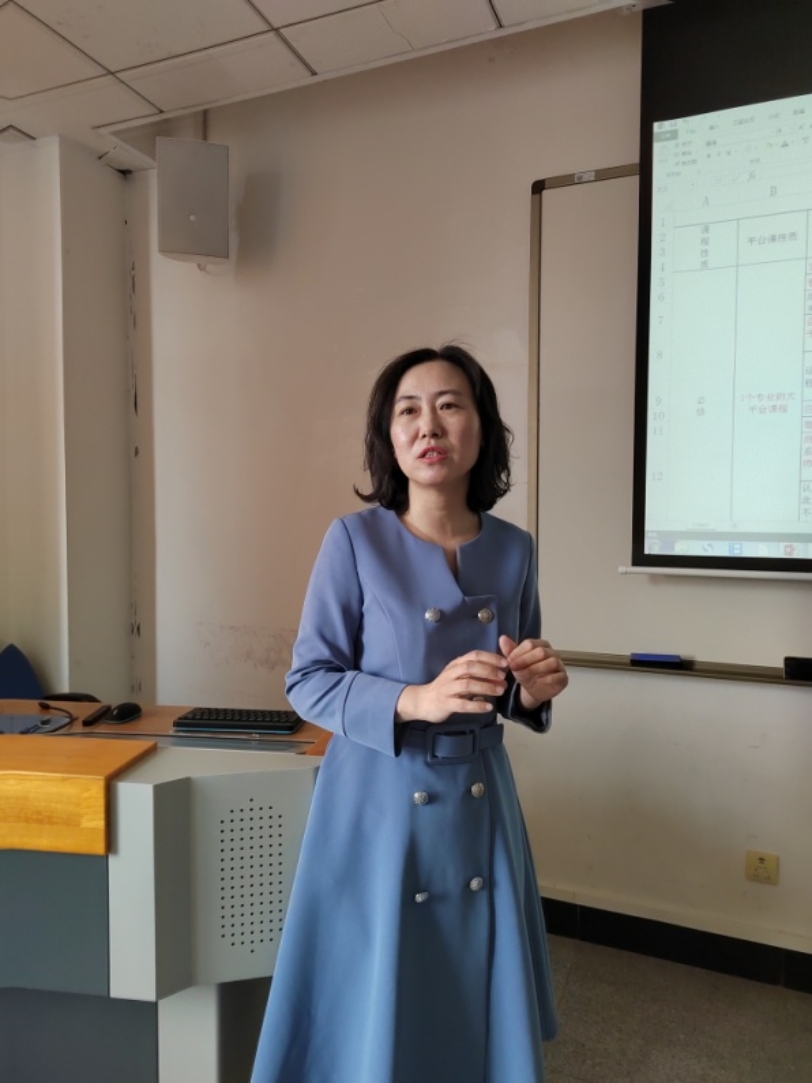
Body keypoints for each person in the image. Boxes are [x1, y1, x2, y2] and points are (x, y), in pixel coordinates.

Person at [250, 344, 568, 1083]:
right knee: (377, 996)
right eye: (408, 410)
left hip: (481, 801)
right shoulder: (354, 540)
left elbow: (510, 681)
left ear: (481, 427)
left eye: (450, 405)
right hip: (378, 801)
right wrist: (413, 699)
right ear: (389, 436)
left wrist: (531, 691)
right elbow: (309, 679)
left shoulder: (515, 549)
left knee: (472, 991)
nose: (429, 424)